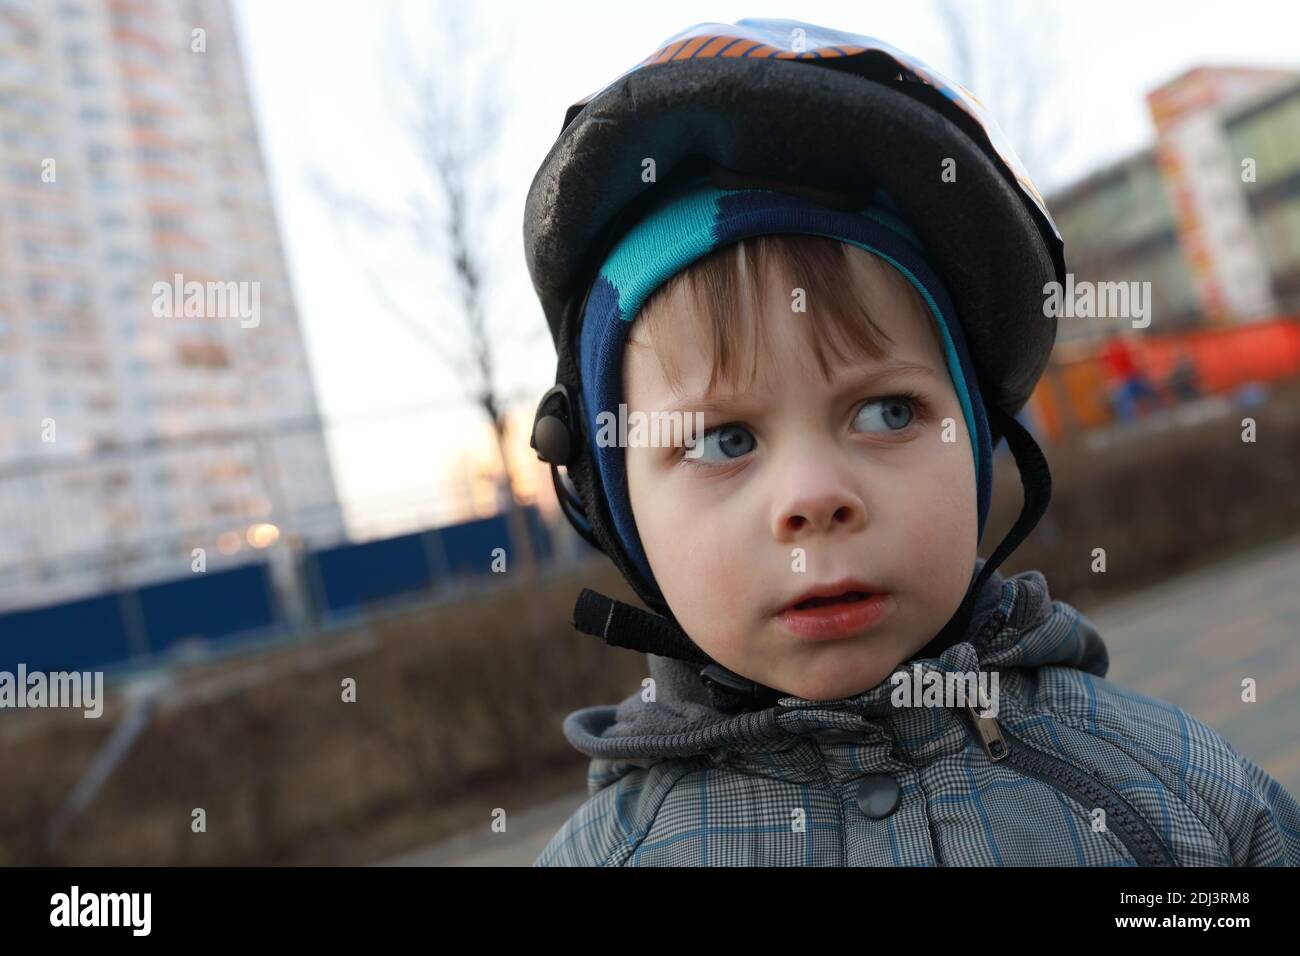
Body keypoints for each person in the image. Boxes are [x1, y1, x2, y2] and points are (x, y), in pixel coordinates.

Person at [522, 18, 1300, 866]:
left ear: (976, 442)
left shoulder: (1172, 796)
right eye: (725, 438)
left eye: (887, 412)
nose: (815, 497)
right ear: (613, 499)